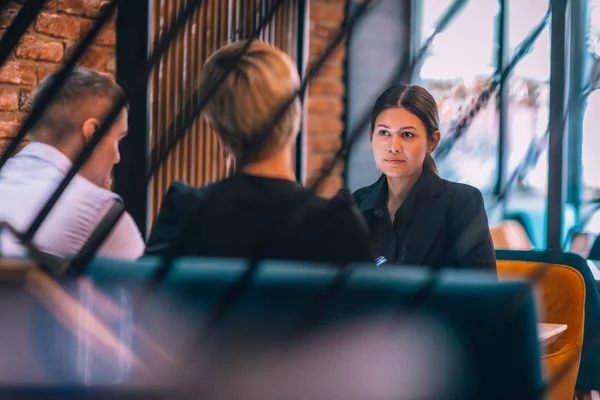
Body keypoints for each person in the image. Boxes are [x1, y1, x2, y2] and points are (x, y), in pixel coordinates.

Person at [145, 40, 373, 265]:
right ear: (294, 116)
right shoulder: (338, 226)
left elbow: (139, 297)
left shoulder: (184, 214)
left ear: (219, 131)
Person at [0, 67, 145, 259]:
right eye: (117, 139)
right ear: (94, 133)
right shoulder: (97, 211)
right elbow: (152, 287)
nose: (117, 157)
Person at [353, 84, 496, 269]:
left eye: (407, 134)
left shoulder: (463, 203)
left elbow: (483, 291)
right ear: (372, 136)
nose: (393, 146)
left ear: (432, 141)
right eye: (384, 133)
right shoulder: (356, 205)